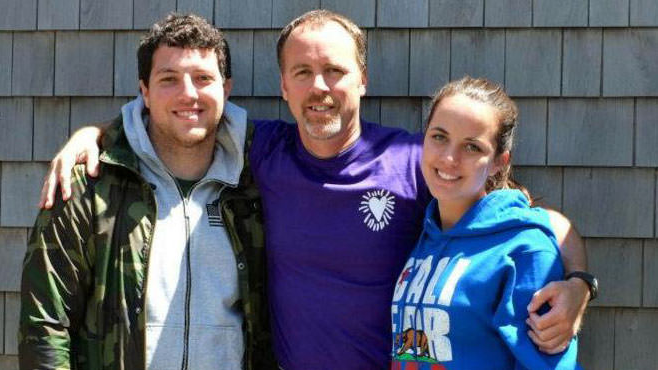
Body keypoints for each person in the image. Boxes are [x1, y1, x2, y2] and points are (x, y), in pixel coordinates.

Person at [38, 10, 594, 369]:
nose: (319, 87)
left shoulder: (416, 160)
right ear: (282, 86)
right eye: (301, 72)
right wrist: (97, 134)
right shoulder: (262, 150)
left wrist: (577, 283)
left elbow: (534, 221)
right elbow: (182, 115)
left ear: (363, 80)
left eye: (334, 71)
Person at [18, 13, 275, 370]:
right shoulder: (88, 187)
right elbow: (44, 326)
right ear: (145, 92)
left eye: (203, 78)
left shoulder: (259, 184)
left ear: (225, 89)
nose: (188, 94)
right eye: (169, 79)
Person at [391, 77, 579, 369]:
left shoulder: (525, 250)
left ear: (498, 162)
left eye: (472, 147)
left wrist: (581, 283)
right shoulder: (426, 236)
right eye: (439, 137)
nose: (449, 158)